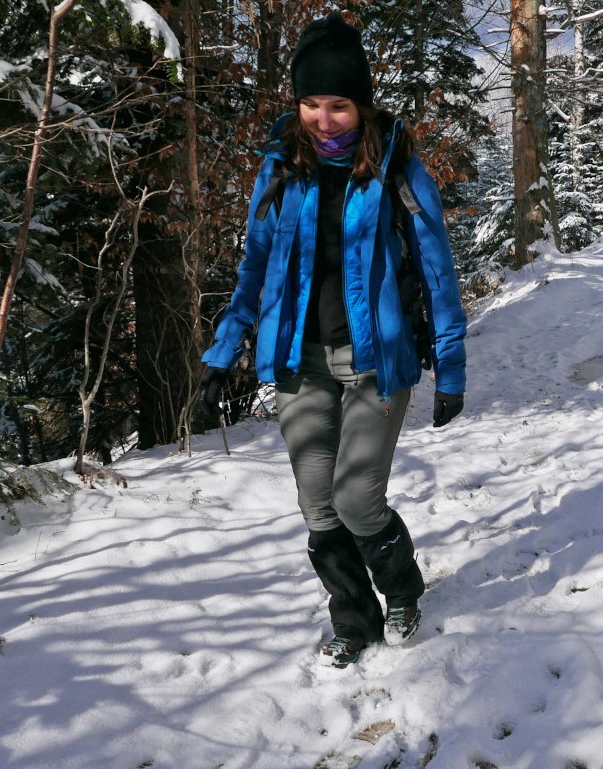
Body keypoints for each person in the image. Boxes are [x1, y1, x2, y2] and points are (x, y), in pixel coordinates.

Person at [198, 13, 467, 669]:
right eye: (311, 103)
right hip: (300, 364)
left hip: (379, 362)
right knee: (318, 505)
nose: (323, 118)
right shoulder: (281, 167)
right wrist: (221, 352)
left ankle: (402, 589)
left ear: (362, 103)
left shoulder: (396, 165)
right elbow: (254, 266)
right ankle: (354, 618)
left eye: (338, 104)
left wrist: (452, 371)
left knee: (356, 498)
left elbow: (437, 268)